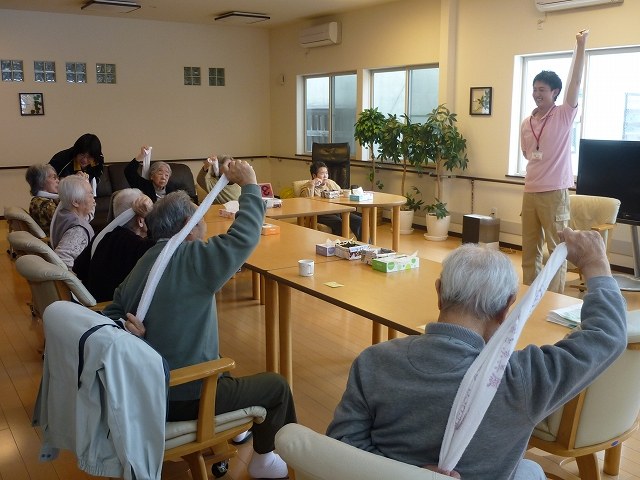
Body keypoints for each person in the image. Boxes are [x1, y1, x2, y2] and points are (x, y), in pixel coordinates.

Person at [327, 228, 626, 480]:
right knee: (531, 471)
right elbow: (608, 335)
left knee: (531, 469)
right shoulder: (522, 378)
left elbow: (339, 447)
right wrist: (596, 264)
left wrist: (411, 475)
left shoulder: (373, 361)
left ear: (439, 292)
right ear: (506, 308)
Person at [103, 159, 296, 479]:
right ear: (188, 225)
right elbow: (243, 238)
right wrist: (250, 184)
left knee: (222, 363)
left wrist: (126, 330)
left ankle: (237, 428)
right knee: (277, 387)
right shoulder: (190, 257)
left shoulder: (146, 260)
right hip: (184, 394)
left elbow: (112, 310)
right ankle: (264, 460)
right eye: (199, 215)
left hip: (145, 389)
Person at [520, 30, 589, 293]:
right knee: (530, 250)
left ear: (555, 92)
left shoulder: (563, 115)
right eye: (534, 89)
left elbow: (576, 81)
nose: (536, 94)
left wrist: (581, 46)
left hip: (554, 193)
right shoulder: (527, 122)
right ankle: (529, 296)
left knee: (556, 250)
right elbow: (527, 154)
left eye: (542, 89)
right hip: (530, 191)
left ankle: (555, 299)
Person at [73, 189, 155, 302]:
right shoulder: (139, 246)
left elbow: (78, 269)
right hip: (111, 309)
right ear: (140, 220)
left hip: (92, 305)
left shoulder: (102, 235)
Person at [300, 161, 362, 240]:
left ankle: (366, 245)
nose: (325, 176)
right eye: (322, 173)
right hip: (320, 214)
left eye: (326, 173)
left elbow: (341, 192)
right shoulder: (307, 186)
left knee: (358, 220)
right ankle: (339, 245)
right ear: (314, 175)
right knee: (340, 223)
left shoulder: (330, 182)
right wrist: (312, 185)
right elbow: (307, 203)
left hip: (336, 211)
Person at [50, 175, 96, 269]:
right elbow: (61, 260)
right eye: (90, 194)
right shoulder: (78, 230)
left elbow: (88, 215)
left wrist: (85, 182)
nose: (93, 199)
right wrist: (76, 278)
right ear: (75, 202)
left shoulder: (64, 214)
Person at [124, 146, 189, 203]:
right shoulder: (144, 186)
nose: (163, 177)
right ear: (152, 176)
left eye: (167, 175)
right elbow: (129, 171)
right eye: (160, 174)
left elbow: (188, 196)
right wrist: (141, 156)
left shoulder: (173, 188)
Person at [25, 163, 59, 235]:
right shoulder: (45, 204)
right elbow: (68, 223)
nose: (57, 181)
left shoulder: (38, 200)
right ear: (41, 181)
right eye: (54, 178)